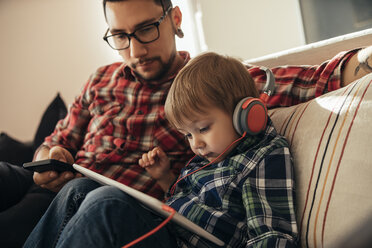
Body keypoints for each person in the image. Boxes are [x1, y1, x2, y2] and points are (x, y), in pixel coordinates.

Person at [1, 0, 371, 246]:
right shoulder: (101, 79)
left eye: (145, 29)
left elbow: (308, 78)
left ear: (174, 20)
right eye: (119, 36)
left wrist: (363, 61)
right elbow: (53, 141)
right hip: (60, 188)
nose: (135, 49)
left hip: (114, 205)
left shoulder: (202, 85)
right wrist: (50, 157)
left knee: (95, 198)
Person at [24, 52, 298, 248]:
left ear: (247, 114)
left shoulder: (264, 156)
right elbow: (187, 203)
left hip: (183, 242)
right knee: (78, 189)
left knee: (108, 204)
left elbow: (271, 234)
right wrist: (165, 178)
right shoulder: (212, 155)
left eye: (202, 129)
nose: (196, 143)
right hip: (170, 229)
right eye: (188, 134)